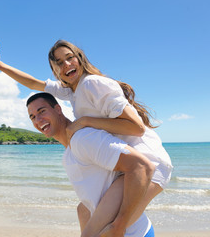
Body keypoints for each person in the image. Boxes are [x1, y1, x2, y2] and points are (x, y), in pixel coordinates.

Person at [0, 40, 173, 235]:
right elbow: (35, 83)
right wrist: (0, 66)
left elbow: (137, 128)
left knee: (109, 230)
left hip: (149, 162)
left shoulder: (91, 83)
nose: (66, 65)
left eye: (70, 58)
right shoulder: (72, 91)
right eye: (59, 63)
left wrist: (86, 121)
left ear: (80, 58)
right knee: (85, 212)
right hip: (130, 164)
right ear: (55, 70)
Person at [26, 92, 155, 237]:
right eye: (32, 117)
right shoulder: (69, 154)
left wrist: (120, 225)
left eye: (42, 111)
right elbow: (88, 205)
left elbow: (142, 166)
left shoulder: (83, 138)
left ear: (58, 109)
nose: (38, 119)